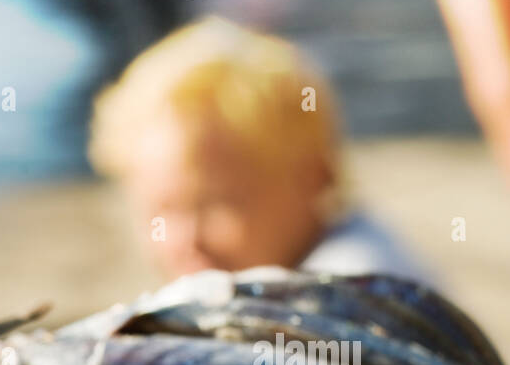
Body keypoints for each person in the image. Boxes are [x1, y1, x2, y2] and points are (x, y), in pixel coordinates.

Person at [88, 18, 430, 282]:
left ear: (315, 178)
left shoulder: (352, 292)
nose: (186, 241)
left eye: (218, 204)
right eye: (161, 210)